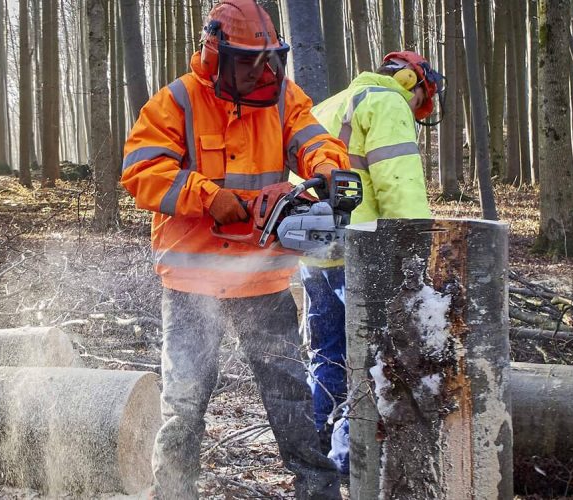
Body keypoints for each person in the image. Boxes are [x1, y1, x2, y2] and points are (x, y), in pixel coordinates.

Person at [120, 1, 350, 498]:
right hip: (192, 283)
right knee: (184, 404)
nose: (259, 72)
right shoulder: (176, 101)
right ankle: (173, 492)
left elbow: (315, 138)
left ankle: (318, 490)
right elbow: (142, 171)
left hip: (262, 278)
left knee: (290, 397)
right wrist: (208, 197)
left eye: (267, 60)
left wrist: (328, 168)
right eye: (248, 61)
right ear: (216, 55)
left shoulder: (282, 97)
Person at [300, 51, 442, 473]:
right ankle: (350, 460)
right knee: (371, 356)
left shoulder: (329, 105)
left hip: (314, 248)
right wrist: (415, 252)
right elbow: (399, 185)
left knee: (327, 351)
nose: (414, 108)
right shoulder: (387, 101)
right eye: (419, 101)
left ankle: (311, 449)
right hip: (362, 250)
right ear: (409, 82)